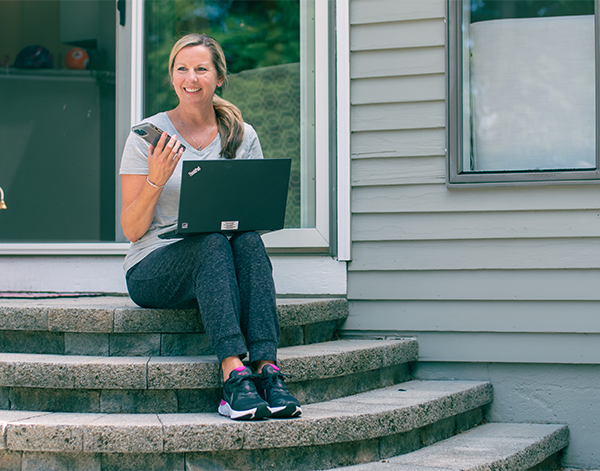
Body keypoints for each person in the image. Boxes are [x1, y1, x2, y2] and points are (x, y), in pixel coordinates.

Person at [119, 33, 301, 421]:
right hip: (153, 268)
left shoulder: (241, 135)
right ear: (172, 77)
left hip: (219, 263)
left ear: (219, 77)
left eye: (201, 69)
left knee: (246, 240)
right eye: (182, 69)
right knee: (211, 243)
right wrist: (156, 178)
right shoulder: (147, 137)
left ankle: (267, 369)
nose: (191, 78)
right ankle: (233, 375)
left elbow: (256, 215)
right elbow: (132, 231)